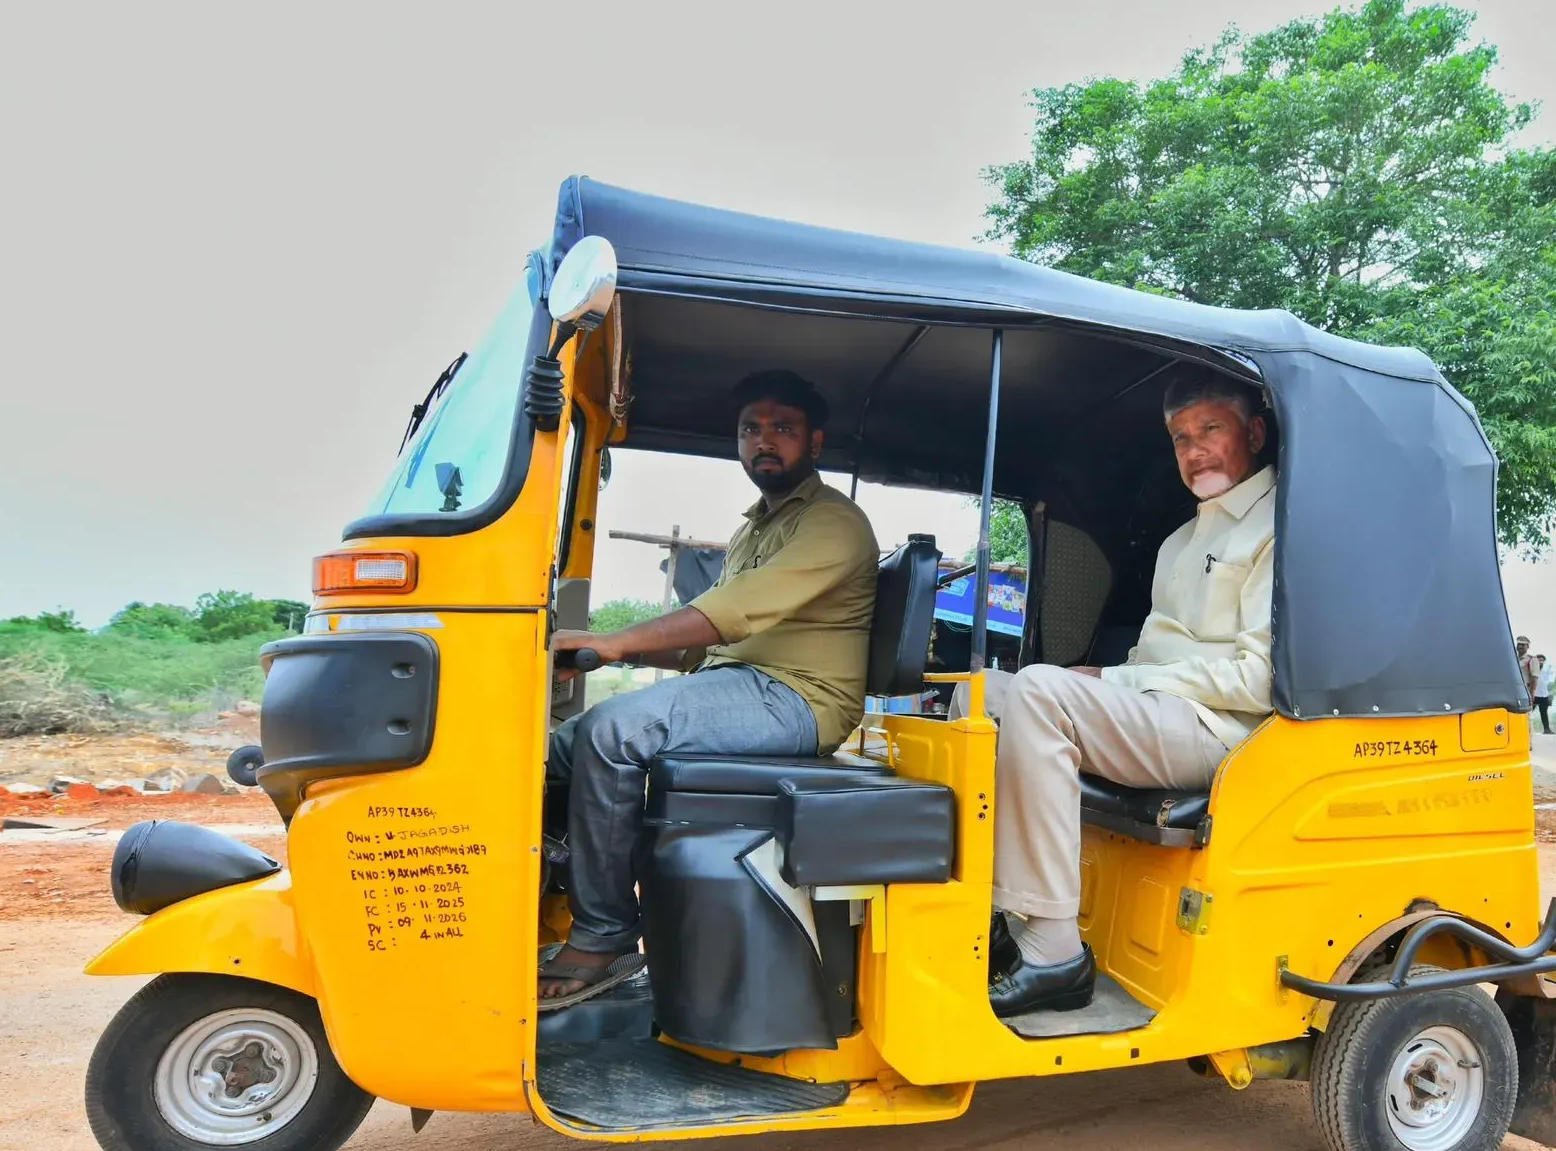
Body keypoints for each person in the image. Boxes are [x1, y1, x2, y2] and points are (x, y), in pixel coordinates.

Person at [538, 369, 880, 1007]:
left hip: (799, 699)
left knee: (617, 731)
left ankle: (605, 934)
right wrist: (589, 654)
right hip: (739, 683)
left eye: (783, 428)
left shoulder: (834, 523)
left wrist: (615, 641)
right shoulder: (755, 526)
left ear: (815, 443)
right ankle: (540, 895)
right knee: (564, 744)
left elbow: (736, 612)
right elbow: (705, 644)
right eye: (752, 428)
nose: (764, 441)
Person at [957, 367, 1276, 1019]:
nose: (1194, 451)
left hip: (1227, 735)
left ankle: (1054, 954)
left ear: (1255, 431)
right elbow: (1148, 659)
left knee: (1043, 692)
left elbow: (1260, 681)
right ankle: (990, 911)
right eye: (1180, 437)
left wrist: (1111, 681)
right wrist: (1114, 682)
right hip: (1164, 715)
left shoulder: (1281, 530)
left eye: (1210, 429)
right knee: (981, 695)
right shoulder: (1180, 542)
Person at [1536, 653, 1552, 734]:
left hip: (1544, 694)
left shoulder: (1547, 669)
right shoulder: (1533, 669)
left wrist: (1550, 695)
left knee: (1544, 713)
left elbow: (1549, 681)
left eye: (1542, 660)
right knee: (1528, 712)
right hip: (1534, 694)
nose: (1540, 661)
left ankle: (1546, 729)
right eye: (1539, 660)